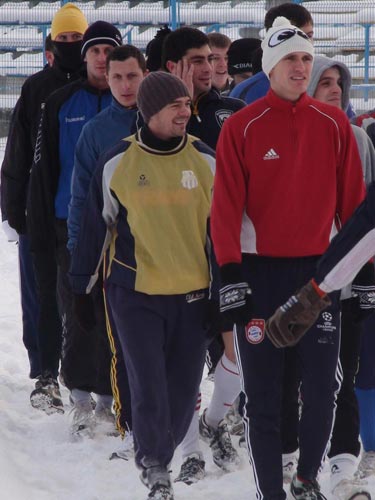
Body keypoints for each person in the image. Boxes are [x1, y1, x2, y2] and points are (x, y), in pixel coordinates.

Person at [211, 16, 366, 500]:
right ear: (270, 68)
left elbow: (356, 210)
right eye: (290, 60)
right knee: (264, 397)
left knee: (323, 390)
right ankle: (269, 493)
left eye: (305, 58)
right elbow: (224, 210)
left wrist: (358, 275)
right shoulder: (241, 126)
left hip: (319, 275)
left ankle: (306, 480)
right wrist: (231, 276)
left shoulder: (335, 124)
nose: (300, 68)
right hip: (260, 275)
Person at [69, 71, 217, 500]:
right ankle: (154, 466)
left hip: (192, 293)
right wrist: (82, 288)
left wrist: (222, 294)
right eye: (176, 105)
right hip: (135, 293)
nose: (185, 112)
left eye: (188, 105)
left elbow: (222, 235)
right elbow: (96, 228)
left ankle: (159, 453)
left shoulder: (206, 160)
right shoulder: (119, 161)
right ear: (150, 111)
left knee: (184, 386)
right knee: (148, 381)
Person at [26, 21, 122, 428]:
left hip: (125, 227)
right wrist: (37, 224)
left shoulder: (136, 108)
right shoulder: (61, 102)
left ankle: (110, 394)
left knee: (115, 313)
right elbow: (41, 169)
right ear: (84, 57)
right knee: (79, 311)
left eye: (108, 51)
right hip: (72, 224)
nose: (101, 58)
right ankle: (80, 394)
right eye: (95, 50)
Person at [163, 25, 245, 481]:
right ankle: (190, 447)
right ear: (175, 66)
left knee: (240, 349)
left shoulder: (234, 112)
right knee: (186, 356)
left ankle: (214, 423)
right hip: (176, 254)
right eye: (197, 60)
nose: (209, 67)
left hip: (230, 250)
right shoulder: (155, 113)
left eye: (213, 58)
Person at [0, 2, 88, 410]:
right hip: (39, 211)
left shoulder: (99, 89)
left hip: (83, 213)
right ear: (52, 42)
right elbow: (18, 153)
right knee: (40, 295)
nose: (71, 44)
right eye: (64, 38)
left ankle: (82, 374)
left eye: (77, 37)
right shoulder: (36, 88)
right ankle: (43, 370)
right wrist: (13, 208)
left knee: (80, 296)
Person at [67, 44, 147, 444]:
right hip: (112, 252)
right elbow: (81, 197)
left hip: (162, 253)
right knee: (102, 331)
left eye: (132, 76)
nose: (124, 85)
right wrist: (78, 252)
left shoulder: (166, 120)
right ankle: (96, 404)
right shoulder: (95, 131)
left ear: (145, 76)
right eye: (116, 77)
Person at [305, 55, 374, 500]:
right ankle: (295, 460)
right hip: (295, 280)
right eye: (324, 82)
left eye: (339, 82)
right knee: (302, 378)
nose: (334, 89)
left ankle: (342, 466)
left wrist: (366, 276)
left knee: (342, 374)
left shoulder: (360, 140)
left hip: (347, 281)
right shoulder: (291, 136)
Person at [229, 2, 314, 103]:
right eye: (294, 36)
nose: (304, 42)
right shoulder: (247, 92)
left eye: (308, 36)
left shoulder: (324, 81)